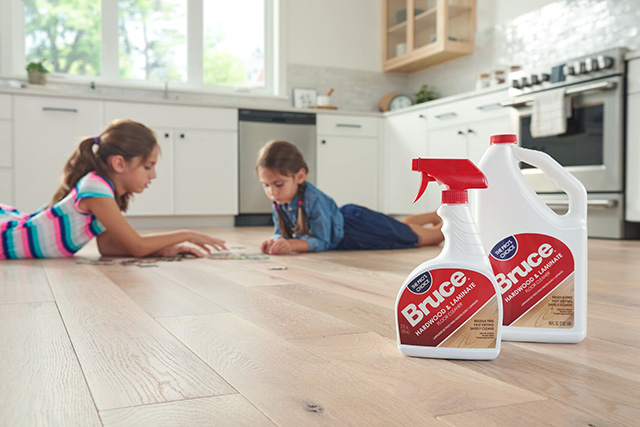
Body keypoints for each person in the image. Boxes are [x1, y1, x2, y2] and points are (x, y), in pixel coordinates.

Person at [0, 119, 226, 260]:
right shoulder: (95, 188)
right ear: (119, 164)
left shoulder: (105, 191)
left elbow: (108, 247)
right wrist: (187, 234)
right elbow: (137, 246)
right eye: (147, 167)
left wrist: (163, 249)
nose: (153, 175)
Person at [256, 140, 443, 255]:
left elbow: (325, 241)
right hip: (350, 230)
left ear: (299, 176)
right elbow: (283, 231)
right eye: (266, 185)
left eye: (278, 184)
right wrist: (275, 241)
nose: (272, 192)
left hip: (360, 228)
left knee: (430, 237)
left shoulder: (313, 200)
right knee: (402, 230)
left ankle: (448, 215)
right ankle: (432, 216)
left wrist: (291, 245)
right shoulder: (281, 201)